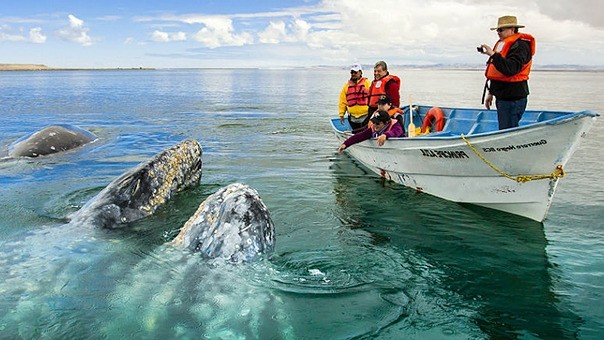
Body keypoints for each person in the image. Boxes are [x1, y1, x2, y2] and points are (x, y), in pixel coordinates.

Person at [479, 15, 535, 130]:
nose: (498, 32)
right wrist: (491, 92)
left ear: (512, 29)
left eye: (501, 30)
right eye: (497, 30)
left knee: (508, 131)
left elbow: (511, 69)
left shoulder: (520, 46)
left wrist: (493, 55)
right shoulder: (503, 44)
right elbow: (498, 71)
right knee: (505, 129)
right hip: (503, 96)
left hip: (513, 98)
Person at [337, 110, 403, 154]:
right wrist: (345, 144)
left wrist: (385, 135)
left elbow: (396, 132)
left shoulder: (396, 125)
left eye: (377, 123)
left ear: (386, 123)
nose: (374, 125)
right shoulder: (373, 128)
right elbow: (360, 136)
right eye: (373, 122)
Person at [338, 63, 372, 131]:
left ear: (360, 72)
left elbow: (373, 98)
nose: (353, 74)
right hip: (352, 117)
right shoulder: (346, 86)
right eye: (352, 72)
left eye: (355, 72)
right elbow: (342, 101)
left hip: (366, 115)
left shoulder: (368, 83)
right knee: (356, 134)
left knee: (364, 133)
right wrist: (341, 114)